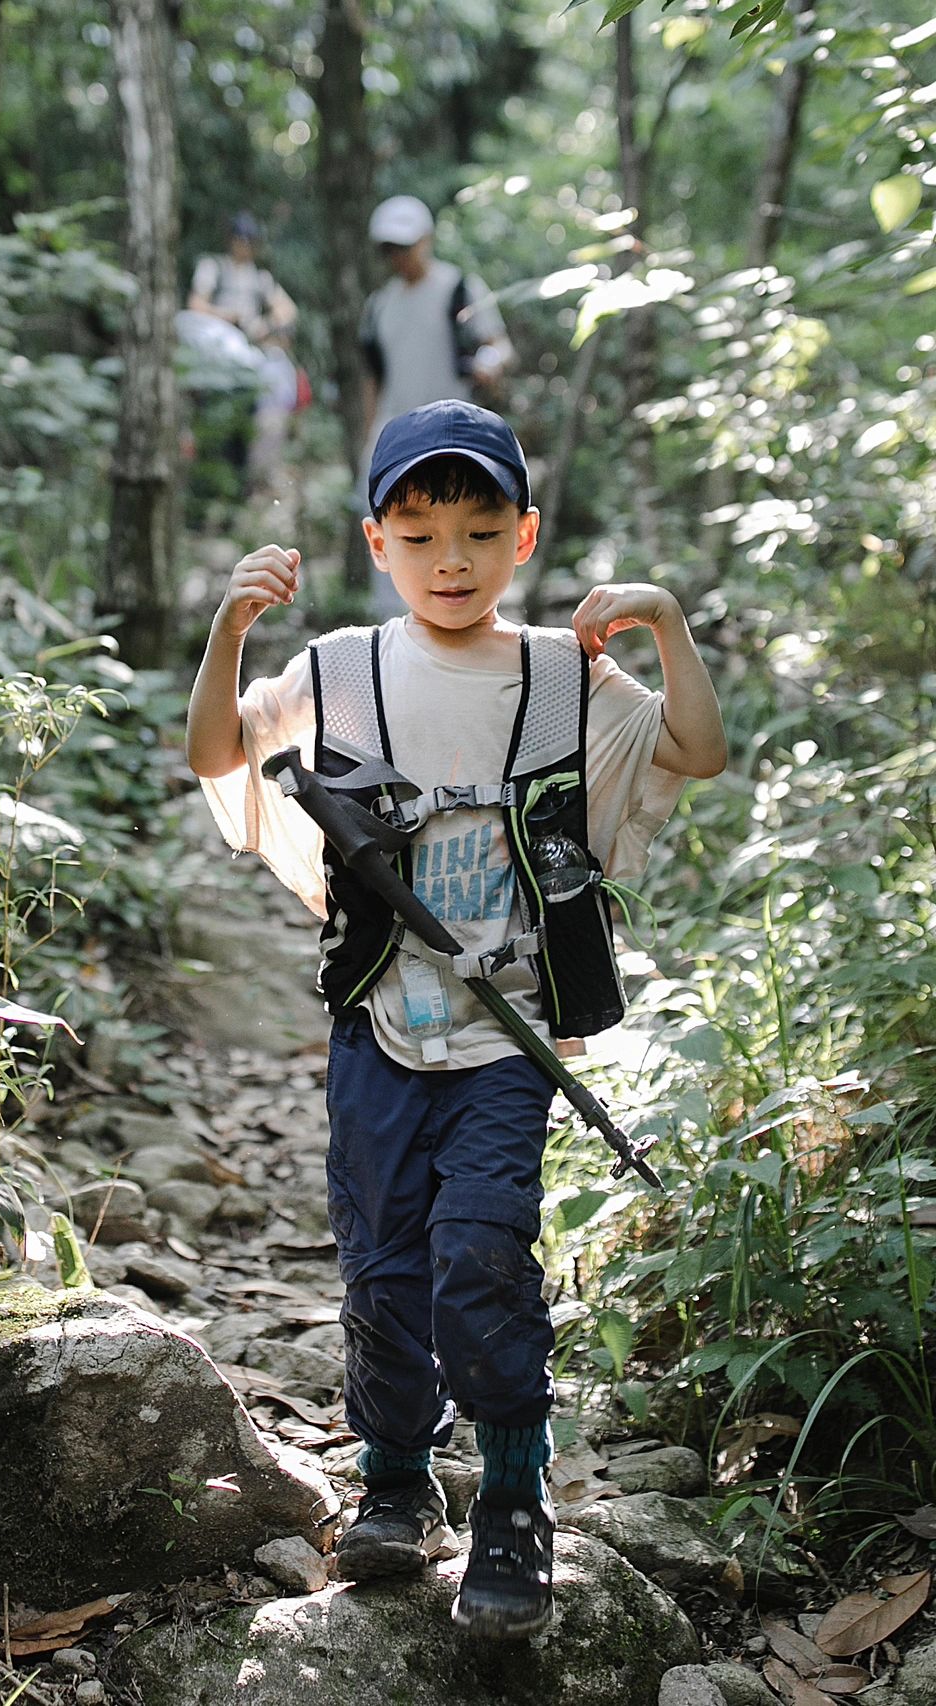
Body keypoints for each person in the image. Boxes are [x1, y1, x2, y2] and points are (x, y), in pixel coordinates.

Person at [186, 399, 726, 1639]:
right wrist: (229, 629)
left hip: (507, 1038)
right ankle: (393, 1477)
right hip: (374, 1026)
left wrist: (665, 624)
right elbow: (216, 750)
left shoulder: (561, 674)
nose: (450, 559)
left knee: (480, 1254)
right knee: (382, 1271)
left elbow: (692, 749)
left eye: (480, 531)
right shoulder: (338, 671)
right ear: (375, 542)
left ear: (521, 537)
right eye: (419, 533)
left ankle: (513, 1503)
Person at [359, 196, 514, 481]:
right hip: (395, 436)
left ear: (426, 239)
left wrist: (489, 363)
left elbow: (500, 345)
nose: (398, 256)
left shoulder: (459, 288)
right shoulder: (379, 304)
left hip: (453, 433)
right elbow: (373, 377)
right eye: (389, 249)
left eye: (405, 246)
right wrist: (370, 438)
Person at [188, 213, 299, 492]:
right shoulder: (213, 268)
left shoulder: (260, 278)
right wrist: (227, 316)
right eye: (241, 240)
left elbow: (287, 310)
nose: (245, 246)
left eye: (250, 241)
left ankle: (256, 480)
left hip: (249, 356)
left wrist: (264, 325)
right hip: (216, 354)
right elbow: (196, 304)